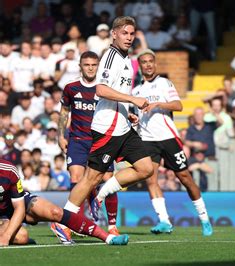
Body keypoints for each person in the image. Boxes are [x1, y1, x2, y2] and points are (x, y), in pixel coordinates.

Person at [62, 17, 153, 241]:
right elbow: (101, 90)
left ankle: (102, 193)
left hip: (122, 125)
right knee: (90, 178)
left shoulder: (125, 58)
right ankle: (62, 222)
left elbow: (114, 92)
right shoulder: (110, 57)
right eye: (125, 33)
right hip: (107, 128)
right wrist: (132, 99)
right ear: (114, 34)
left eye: (132, 34)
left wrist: (126, 109)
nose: (129, 37)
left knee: (146, 168)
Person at [132, 49, 212, 236]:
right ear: (140, 66)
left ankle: (204, 218)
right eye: (144, 62)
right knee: (150, 179)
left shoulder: (164, 83)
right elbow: (135, 115)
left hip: (168, 138)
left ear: (155, 63)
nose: (148, 64)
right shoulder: (135, 91)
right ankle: (164, 221)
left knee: (185, 177)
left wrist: (158, 104)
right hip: (147, 140)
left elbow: (178, 105)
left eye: (151, 61)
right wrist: (134, 118)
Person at [56, 51, 120, 239]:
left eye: (94, 65)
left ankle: (112, 225)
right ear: (80, 66)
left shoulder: (104, 89)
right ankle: (75, 222)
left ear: (98, 66)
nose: (90, 68)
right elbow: (64, 112)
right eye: (87, 65)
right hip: (77, 141)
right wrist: (61, 135)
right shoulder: (71, 88)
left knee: (108, 180)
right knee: (76, 177)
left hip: (101, 141)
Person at [0, 159, 128, 246]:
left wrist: (6, 236)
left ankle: (108, 238)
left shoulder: (9, 170)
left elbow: (19, 207)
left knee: (55, 212)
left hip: (15, 204)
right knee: (22, 237)